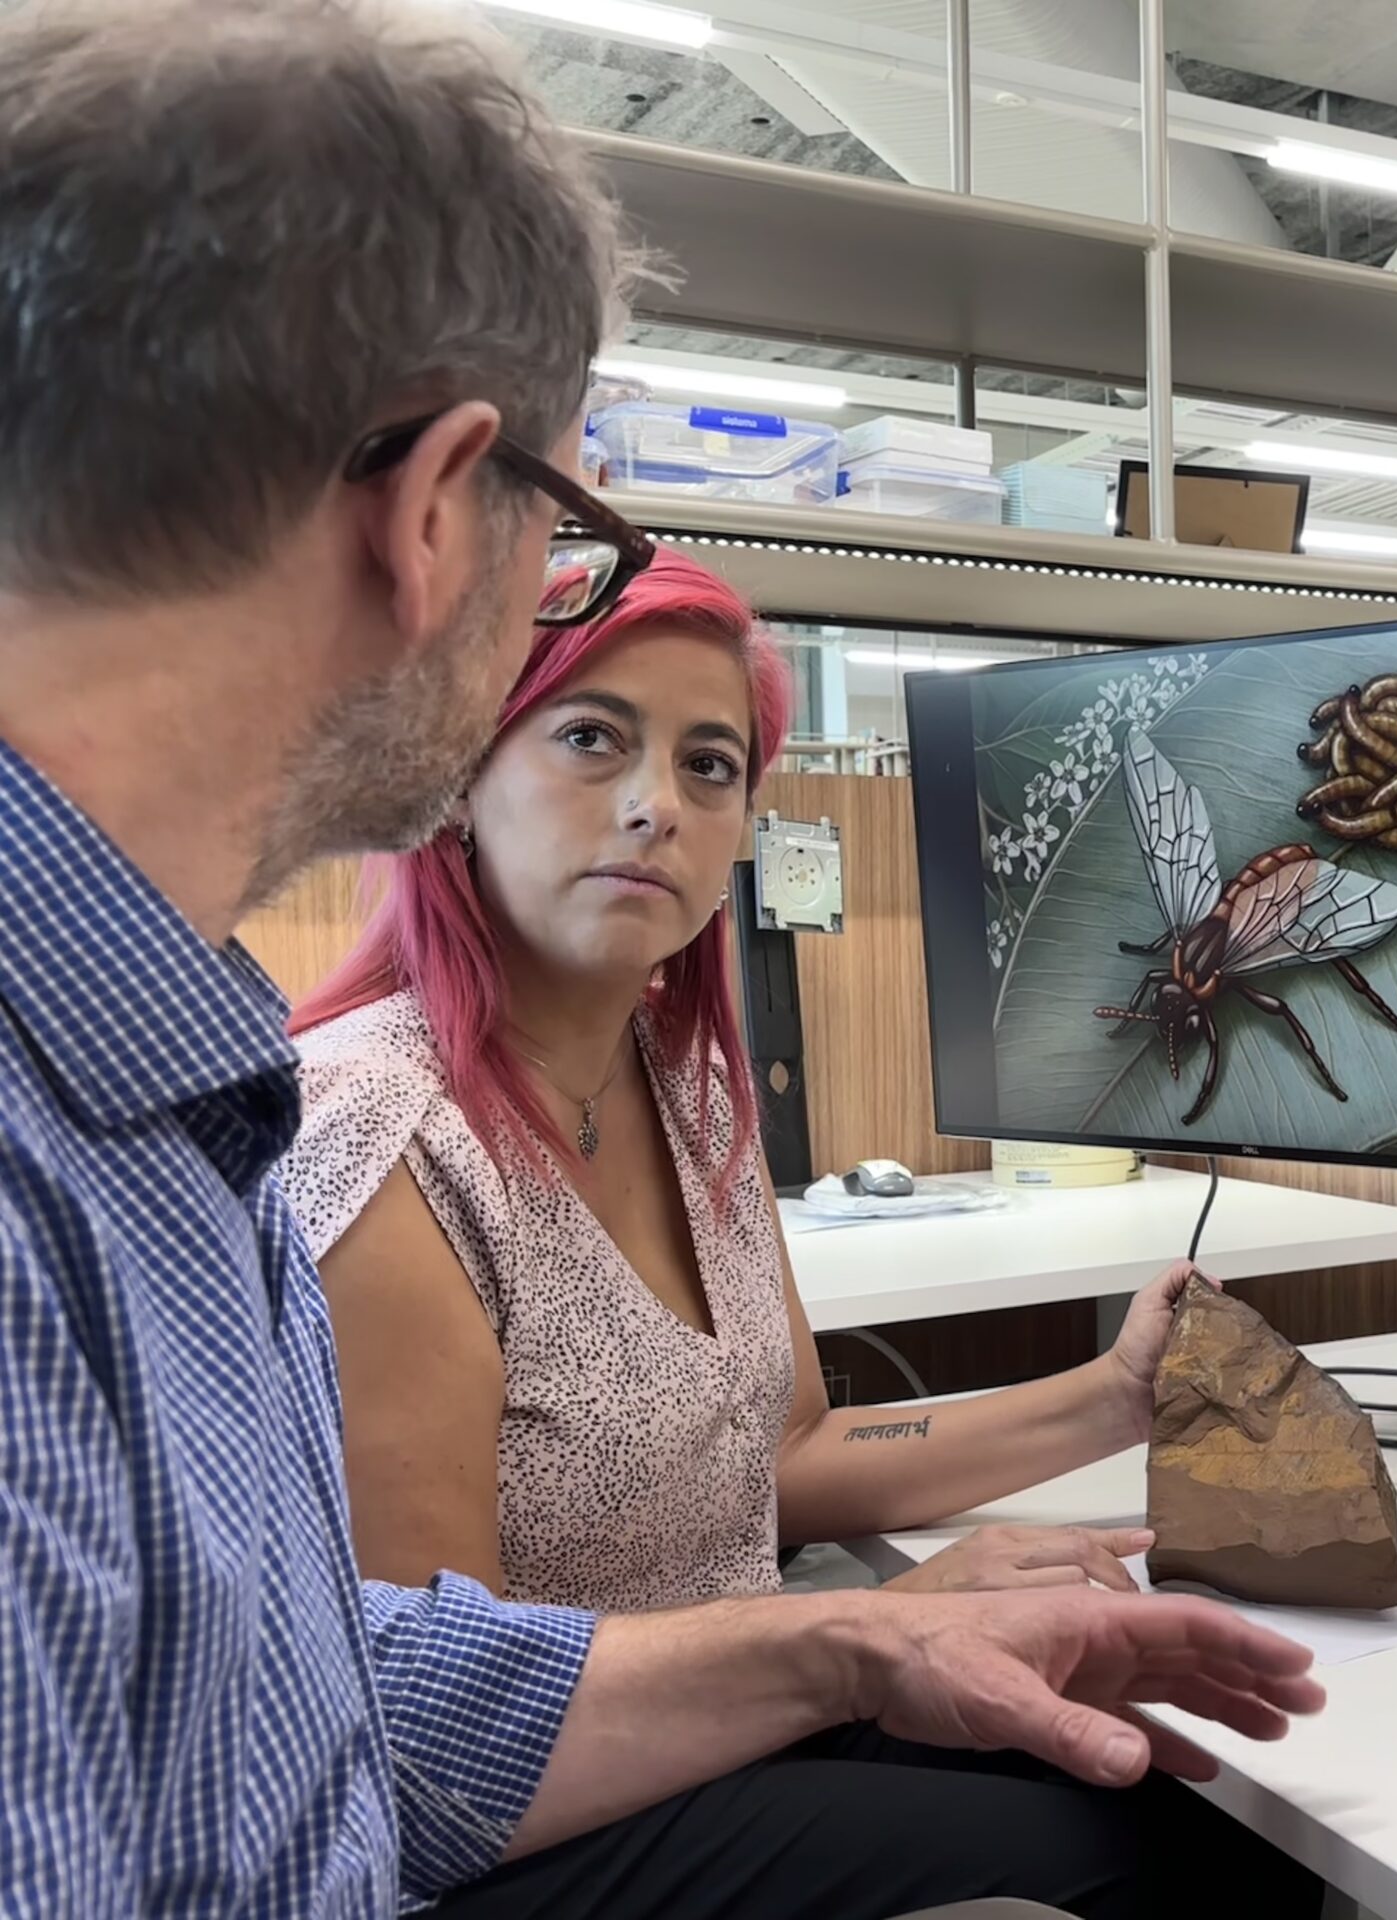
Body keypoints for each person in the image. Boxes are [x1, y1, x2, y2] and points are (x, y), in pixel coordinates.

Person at [0, 4, 1323, 1917]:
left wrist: (850, 1642)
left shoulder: (172, 1098)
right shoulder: (307, 1131)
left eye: (713, 766)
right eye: (573, 540)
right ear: (440, 511)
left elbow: (318, 1709)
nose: (656, 809)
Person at [281, 552, 1202, 1615]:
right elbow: (459, 1710)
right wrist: (880, 1628)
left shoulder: (691, 1090)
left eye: (709, 765)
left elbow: (790, 1457)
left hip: (762, 1712)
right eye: (590, 738)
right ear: (455, 790)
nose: (654, 805)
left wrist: (1117, 1396)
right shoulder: (371, 1129)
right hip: (596, 1773)